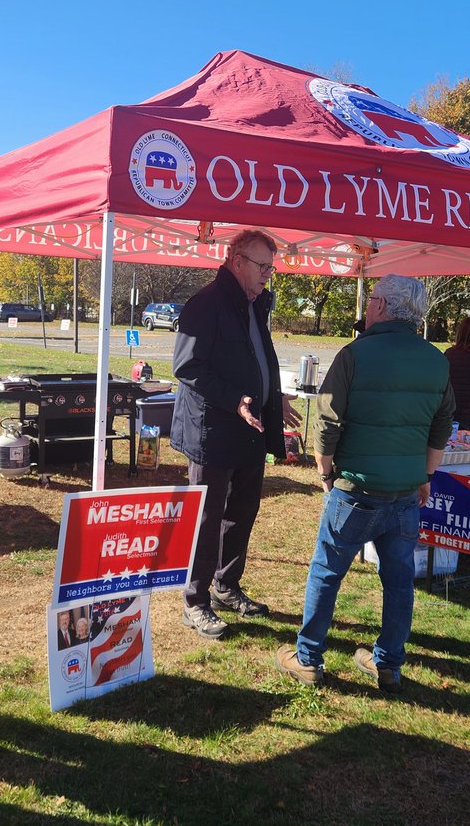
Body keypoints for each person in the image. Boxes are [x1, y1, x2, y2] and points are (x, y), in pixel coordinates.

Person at [275, 275, 454, 693]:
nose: (368, 305)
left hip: (356, 489)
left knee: (326, 572)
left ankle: (308, 658)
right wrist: (426, 475)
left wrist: (325, 474)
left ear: (382, 306)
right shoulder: (436, 359)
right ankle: (388, 663)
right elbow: (441, 424)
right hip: (406, 491)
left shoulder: (354, 354)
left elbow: (327, 420)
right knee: (398, 580)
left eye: (372, 299)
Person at [172, 229, 301, 639]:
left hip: (252, 429)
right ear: (237, 261)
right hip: (213, 430)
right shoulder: (206, 304)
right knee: (206, 518)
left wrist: (271, 397)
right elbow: (187, 367)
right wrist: (237, 400)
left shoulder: (255, 305)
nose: (268, 275)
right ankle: (195, 600)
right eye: (263, 266)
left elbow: (256, 359)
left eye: (271, 267)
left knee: (242, 511)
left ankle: (226, 585)